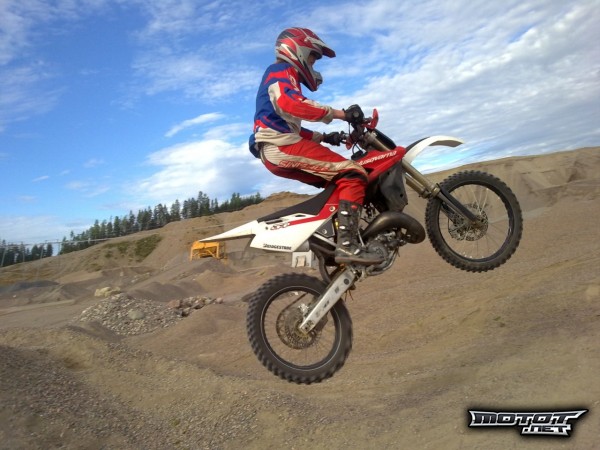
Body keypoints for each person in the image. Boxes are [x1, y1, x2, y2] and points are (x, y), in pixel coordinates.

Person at [250, 27, 383, 266]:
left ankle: (329, 243)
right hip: (281, 146)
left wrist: (326, 137)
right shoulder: (281, 71)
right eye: (313, 57)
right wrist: (342, 114)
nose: (313, 63)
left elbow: (287, 123)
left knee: (336, 184)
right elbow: (291, 104)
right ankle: (348, 246)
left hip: (279, 145)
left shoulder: (281, 77)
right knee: (353, 173)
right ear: (299, 50)